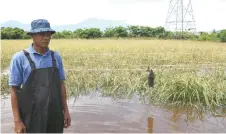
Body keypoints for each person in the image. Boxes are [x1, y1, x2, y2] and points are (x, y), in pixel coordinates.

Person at [9, 19, 71, 133]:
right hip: (31, 117)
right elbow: (14, 90)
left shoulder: (56, 57)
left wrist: (66, 111)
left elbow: (61, 85)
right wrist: (17, 121)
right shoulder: (20, 58)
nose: (46, 37)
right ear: (32, 35)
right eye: (42, 34)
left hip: (55, 115)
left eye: (48, 34)